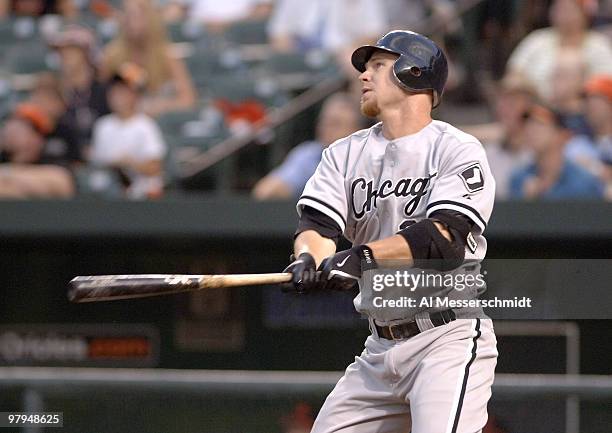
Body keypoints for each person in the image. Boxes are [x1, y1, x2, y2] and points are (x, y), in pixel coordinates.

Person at [283, 30, 497, 432]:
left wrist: (360, 259)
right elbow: (317, 225)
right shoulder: (344, 153)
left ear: (414, 72)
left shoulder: (456, 148)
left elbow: (443, 240)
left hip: (445, 338)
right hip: (379, 348)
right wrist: (309, 259)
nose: (364, 76)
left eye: (378, 66)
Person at [252, 92, 362, 200]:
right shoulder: (309, 154)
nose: (326, 129)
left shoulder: (370, 157)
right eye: (324, 122)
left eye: (335, 123)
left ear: (357, 130)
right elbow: (265, 192)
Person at [100, 0, 197, 117]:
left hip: (157, 120)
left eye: (138, 16)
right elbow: (102, 93)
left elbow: (188, 99)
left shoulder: (166, 56)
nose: (132, 22)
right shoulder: (112, 56)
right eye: (129, 16)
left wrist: (162, 105)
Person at [506, 0, 612, 101]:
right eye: (558, 8)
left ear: (584, 13)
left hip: (583, 110)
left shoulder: (598, 44)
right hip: (536, 107)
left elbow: (606, 81)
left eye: (569, 9)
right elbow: (514, 74)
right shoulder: (537, 39)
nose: (563, 14)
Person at [90, 63, 167, 199]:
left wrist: (130, 163)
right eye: (115, 91)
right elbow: (97, 162)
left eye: (124, 91)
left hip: (141, 193)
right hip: (109, 191)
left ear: (134, 95)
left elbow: (155, 167)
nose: (118, 96)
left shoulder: (145, 125)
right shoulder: (103, 125)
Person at [267, 0, 388, 77]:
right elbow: (278, 34)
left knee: (354, 62)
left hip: (339, 56)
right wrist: (295, 57)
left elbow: (372, 33)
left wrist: (349, 50)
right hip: (300, 55)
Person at [509, 103, 603, 199]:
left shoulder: (583, 182)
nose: (531, 131)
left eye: (540, 125)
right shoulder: (519, 179)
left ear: (561, 134)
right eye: (528, 125)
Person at [48, 25, 111, 155]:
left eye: (71, 51)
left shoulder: (105, 90)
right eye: (61, 52)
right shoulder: (55, 90)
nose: (64, 57)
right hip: (67, 157)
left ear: (86, 54)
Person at [0, 103, 75, 198]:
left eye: (23, 130)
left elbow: (63, 183)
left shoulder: (50, 158)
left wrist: (7, 176)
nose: (12, 134)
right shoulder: (3, 157)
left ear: (38, 138)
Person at [584, 74, 612, 199]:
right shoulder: (577, 142)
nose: (591, 106)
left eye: (597, 100)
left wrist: (593, 167)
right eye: (588, 101)